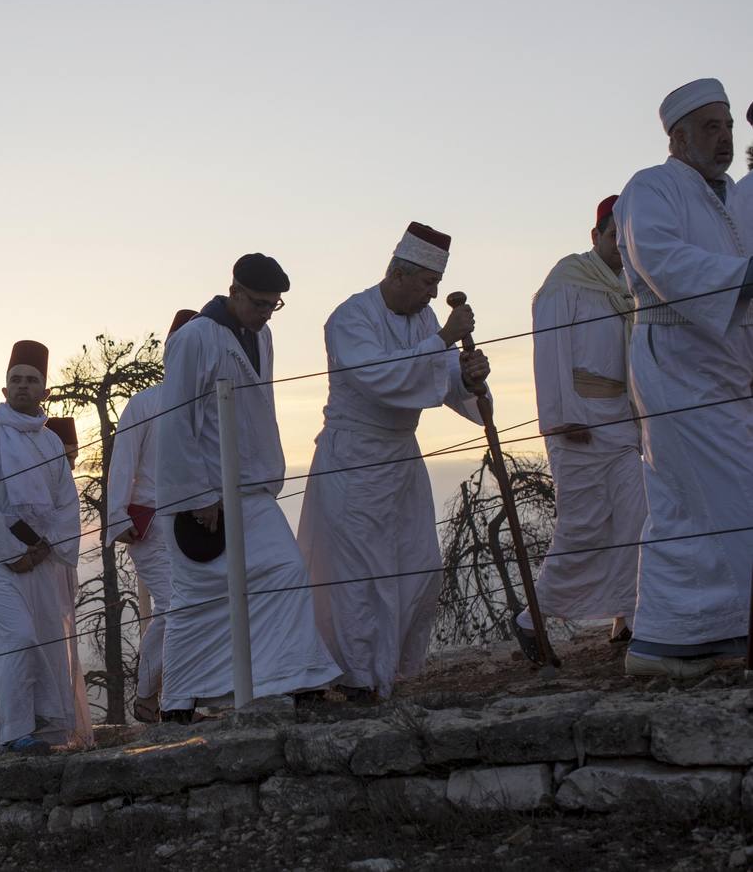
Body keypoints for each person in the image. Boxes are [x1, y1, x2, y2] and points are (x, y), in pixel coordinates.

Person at [296, 226, 490, 701]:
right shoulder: (350, 318)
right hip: (354, 462)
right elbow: (378, 377)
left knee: (417, 566)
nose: (433, 294)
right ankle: (355, 679)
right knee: (359, 576)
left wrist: (466, 378)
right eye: (426, 283)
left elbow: (438, 379)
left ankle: (386, 670)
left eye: (437, 286)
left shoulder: (423, 320)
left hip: (402, 458)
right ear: (398, 273)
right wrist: (444, 339)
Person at [158, 255, 341, 719]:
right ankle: (178, 702)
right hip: (208, 496)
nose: (266, 312)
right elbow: (178, 421)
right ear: (234, 292)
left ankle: (296, 678)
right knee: (197, 601)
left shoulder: (262, 335)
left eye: (274, 305)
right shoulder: (195, 338)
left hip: (252, 489)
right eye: (259, 303)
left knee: (285, 571)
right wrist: (199, 497)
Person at [614, 78, 753, 678]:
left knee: (684, 508)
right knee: (731, 491)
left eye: (728, 127)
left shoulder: (725, 198)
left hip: (723, 365)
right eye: (710, 128)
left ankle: (673, 640)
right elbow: (662, 261)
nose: (723, 139)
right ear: (677, 137)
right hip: (676, 365)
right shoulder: (652, 187)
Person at [0, 341, 82, 753]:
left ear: (44, 390)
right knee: (18, 637)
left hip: (39, 559)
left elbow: (66, 502)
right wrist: (12, 551)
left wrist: (44, 548)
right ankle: (14, 735)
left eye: (31, 381)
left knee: (43, 640)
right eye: (15, 380)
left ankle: (25, 730)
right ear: (4, 388)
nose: (22, 387)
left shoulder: (48, 444)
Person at [525, 196, 644, 644]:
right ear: (596, 236)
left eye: (626, 239)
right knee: (584, 525)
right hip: (578, 422)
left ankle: (629, 614)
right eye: (614, 237)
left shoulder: (630, 285)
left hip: (622, 421)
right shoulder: (566, 280)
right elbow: (550, 352)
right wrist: (562, 418)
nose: (620, 247)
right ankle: (533, 620)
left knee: (636, 514)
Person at [106, 309, 197, 722]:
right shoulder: (143, 404)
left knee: (185, 606)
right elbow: (122, 461)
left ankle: (161, 698)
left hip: (198, 524)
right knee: (180, 605)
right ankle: (166, 697)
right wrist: (118, 517)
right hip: (152, 523)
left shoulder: (208, 403)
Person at [40, 415, 93, 747]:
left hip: (63, 573)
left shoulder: (66, 486)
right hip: (44, 575)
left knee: (66, 645)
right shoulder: (39, 484)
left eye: (74, 456)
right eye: (67, 456)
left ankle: (69, 725)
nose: (72, 463)